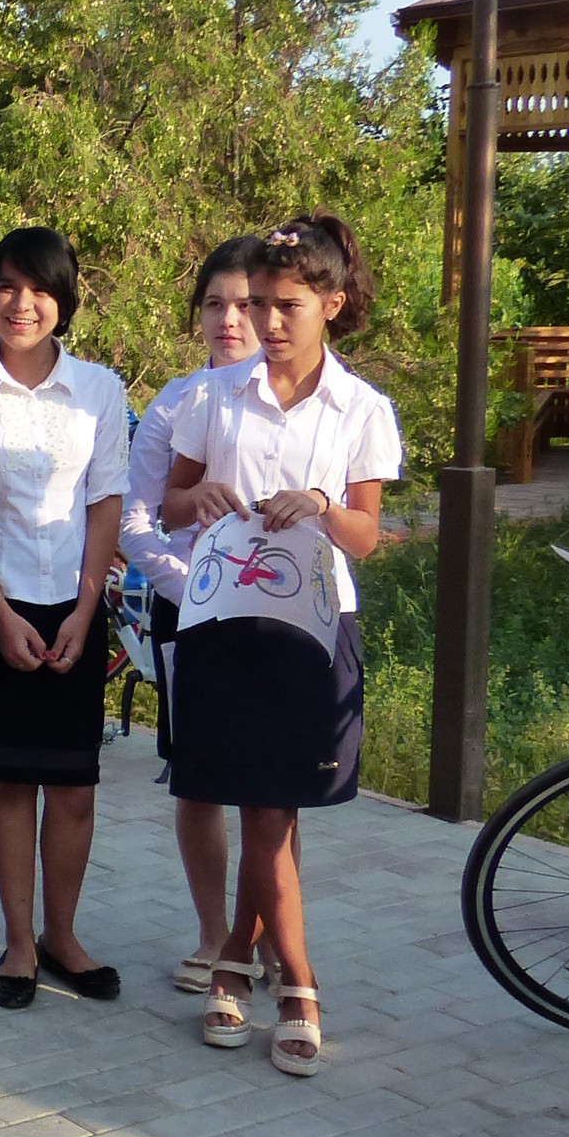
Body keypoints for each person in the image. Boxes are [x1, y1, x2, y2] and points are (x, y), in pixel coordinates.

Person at [162, 215, 398, 1079]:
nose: (267, 323)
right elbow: (169, 504)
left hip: (312, 624)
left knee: (274, 811)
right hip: (224, 618)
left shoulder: (361, 408)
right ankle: (276, 973)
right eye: (257, 303)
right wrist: (205, 498)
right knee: (253, 805)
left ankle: (262, 966)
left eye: (287, 305)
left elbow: (367, 534)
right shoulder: (213, 397)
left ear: (333, 304)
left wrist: (322, 509)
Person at [0, 227, 130, 1011]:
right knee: (13, 782)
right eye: (8, 286)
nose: (22, 304)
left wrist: (87, 613)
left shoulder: (98, 389)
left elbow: (106, 504)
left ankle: (65, 935)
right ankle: (19, 944)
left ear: (65, 301)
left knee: (76, 785)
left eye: (40, 289)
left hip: (75, 607)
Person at [120, 237, 268, 993]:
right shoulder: (177, 403)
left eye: (246, 304)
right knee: (199, 781)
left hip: (284, 617)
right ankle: (215, 933)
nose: (230, 320)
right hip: (193, 615)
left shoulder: (300, 399)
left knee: (273, 791)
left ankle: (271, 937)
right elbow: (137, 521)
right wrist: (191, 587)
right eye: (214, 304)